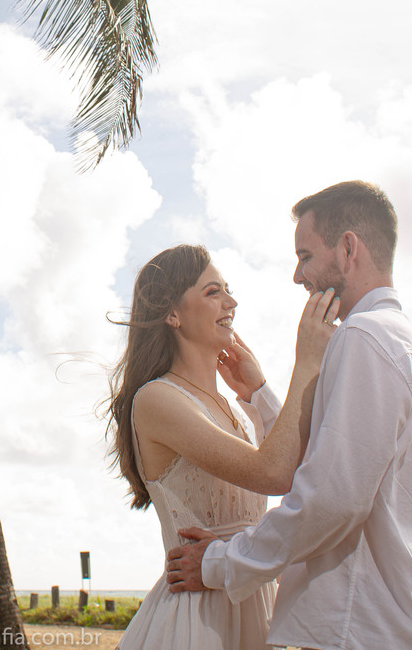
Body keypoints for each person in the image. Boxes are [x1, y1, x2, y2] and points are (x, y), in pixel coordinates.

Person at [166, 181, 412, 650]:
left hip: (365, 629)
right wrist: (261, 394)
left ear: (348, 248)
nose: (297, 275)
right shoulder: (402, 343)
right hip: (406, 622)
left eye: (305, 255)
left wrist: (218, 564)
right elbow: (330, 459)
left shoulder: (363, 338)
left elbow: (331, 500)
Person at [107, 243, 339, 650]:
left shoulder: (231, 409)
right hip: (198, 621)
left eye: (227, 290)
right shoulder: (158, 399)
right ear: (172, 313)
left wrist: (259, 391)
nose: (231, 302)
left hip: (251, 603)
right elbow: (272, 472)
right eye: (213, 292)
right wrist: (307, 362)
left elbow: (299, 470)